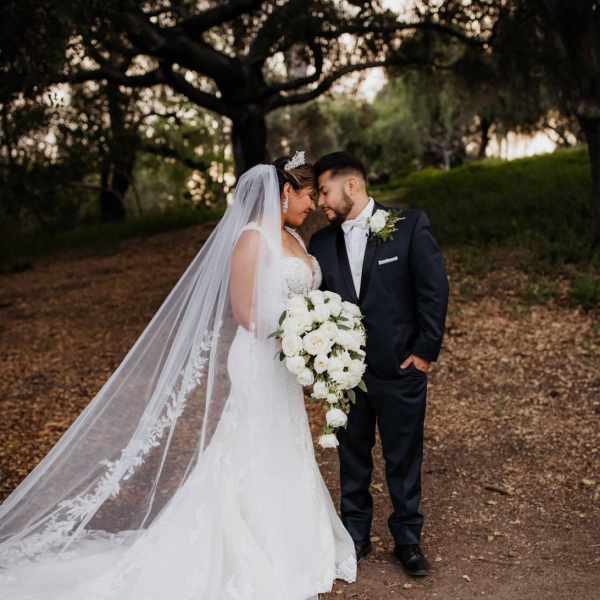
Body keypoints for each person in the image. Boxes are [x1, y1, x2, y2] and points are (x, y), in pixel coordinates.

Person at [0, 157, 357, 599]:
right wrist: (298, 335)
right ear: (285, 192)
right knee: (254, 441)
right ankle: (252, 545)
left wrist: (315, 336)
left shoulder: (293, 237)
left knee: (287, 440)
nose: (313, 205)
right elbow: (243, 312)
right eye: (308, 196)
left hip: (285, 361)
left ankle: (295, 540)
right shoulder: (251, 238)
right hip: (258, 357)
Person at [308, 151, 449, 578]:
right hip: (346, 375)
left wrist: (424, 353)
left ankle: (408, 540)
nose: (320, 202)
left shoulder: (409, 227)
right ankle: (355, 535)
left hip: (400, 368)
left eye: (325, 192)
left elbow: (433, 290)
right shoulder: (320, 244)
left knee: (403, 456)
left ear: (352, 185)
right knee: (352, 457)